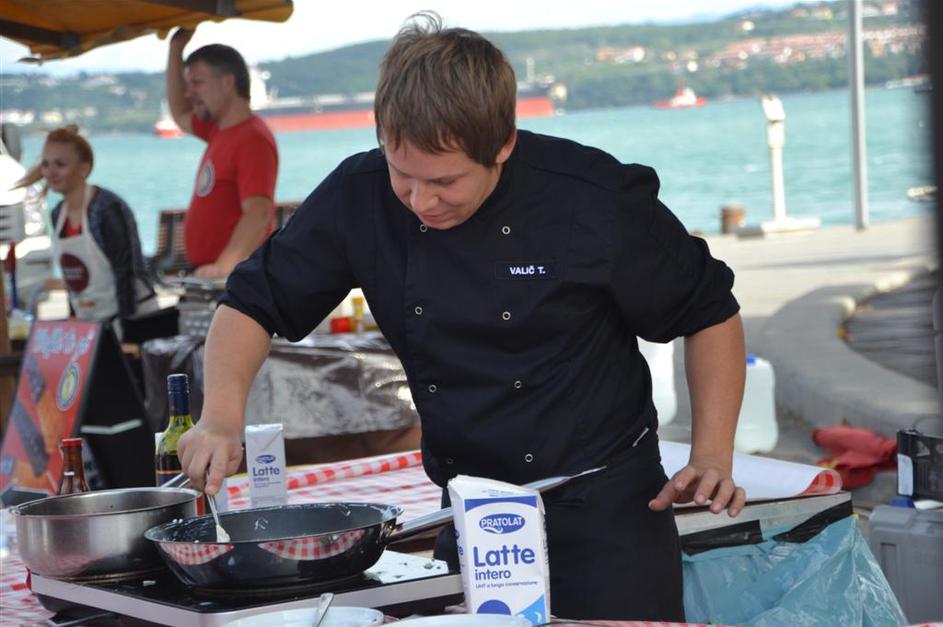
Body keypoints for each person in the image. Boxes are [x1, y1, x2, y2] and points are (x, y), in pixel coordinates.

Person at [178, 13, 747, 621]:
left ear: (502, 145)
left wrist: (712, 455)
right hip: (471, 512)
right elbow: (251, 303)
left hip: (606, 513)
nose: (421, 201)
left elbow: (710, 310)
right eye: (403, 175)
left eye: (445, 181)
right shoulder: (358, 194)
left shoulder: (592, 198)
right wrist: (221, 417)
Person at [16, 126, 158, 330]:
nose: (50, 172)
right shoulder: (58, 214)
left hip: (132, 317)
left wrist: (127, 331)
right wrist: (74, 321)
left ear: (84, 167)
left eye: (60, 164)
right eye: (46, 164)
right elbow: (73, 282)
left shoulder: (106, 209)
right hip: (91, 322)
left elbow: (125, 273)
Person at [166, 28, 278, 278]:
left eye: (197, 83)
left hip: (234, 277)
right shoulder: (219, 131)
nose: (189, 93)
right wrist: (175, 48)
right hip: (215, 274)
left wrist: (223, 267)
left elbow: (258, 213)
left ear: (227, 83)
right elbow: (180, 112)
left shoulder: (252, 139)